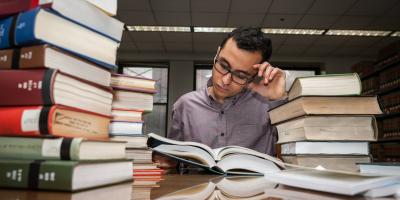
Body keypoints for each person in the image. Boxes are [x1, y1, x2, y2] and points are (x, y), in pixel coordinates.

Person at [156, 26, 287, 169]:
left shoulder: (267, 106)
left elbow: (291, 151)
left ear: (254, 75)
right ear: (217, 53)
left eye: (240, 75)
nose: (225, 81)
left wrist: (278, 99)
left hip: (258, 190)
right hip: (198, 189)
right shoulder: (185, 105)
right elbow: (171, 160)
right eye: (223, 66)